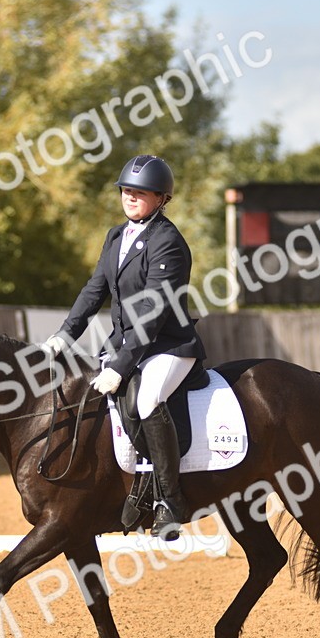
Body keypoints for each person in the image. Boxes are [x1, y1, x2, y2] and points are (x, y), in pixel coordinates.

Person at [41, 154, 206, 540]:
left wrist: (120, 365)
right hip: (127, 344)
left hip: (168, 345)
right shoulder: (117, 236)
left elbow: (153, 310)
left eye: (140, 192)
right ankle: (133, 487)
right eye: (126, 190)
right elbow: (94, 289)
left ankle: (170, 498)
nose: (130, 197)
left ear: (162, 198)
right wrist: (66, 334)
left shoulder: (169, 242)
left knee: (147, 399)